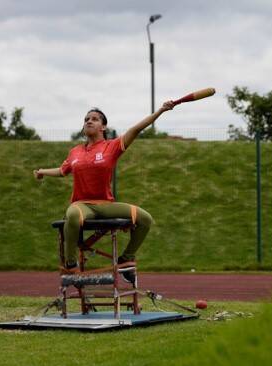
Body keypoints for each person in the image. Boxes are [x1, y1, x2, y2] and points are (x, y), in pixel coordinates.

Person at [33, 101, 175, 283]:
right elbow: (62, 171)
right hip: (82, 205)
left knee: (145, 219)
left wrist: (160, 111)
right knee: (73, 215)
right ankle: (70, 263)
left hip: (105, 205)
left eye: (94, 119)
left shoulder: (112, 146)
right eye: (86, 119)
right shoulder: (75, 152)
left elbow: (137, 129)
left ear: (103, 126)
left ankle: (125, 259)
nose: (88, 121)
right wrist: (41, 171)